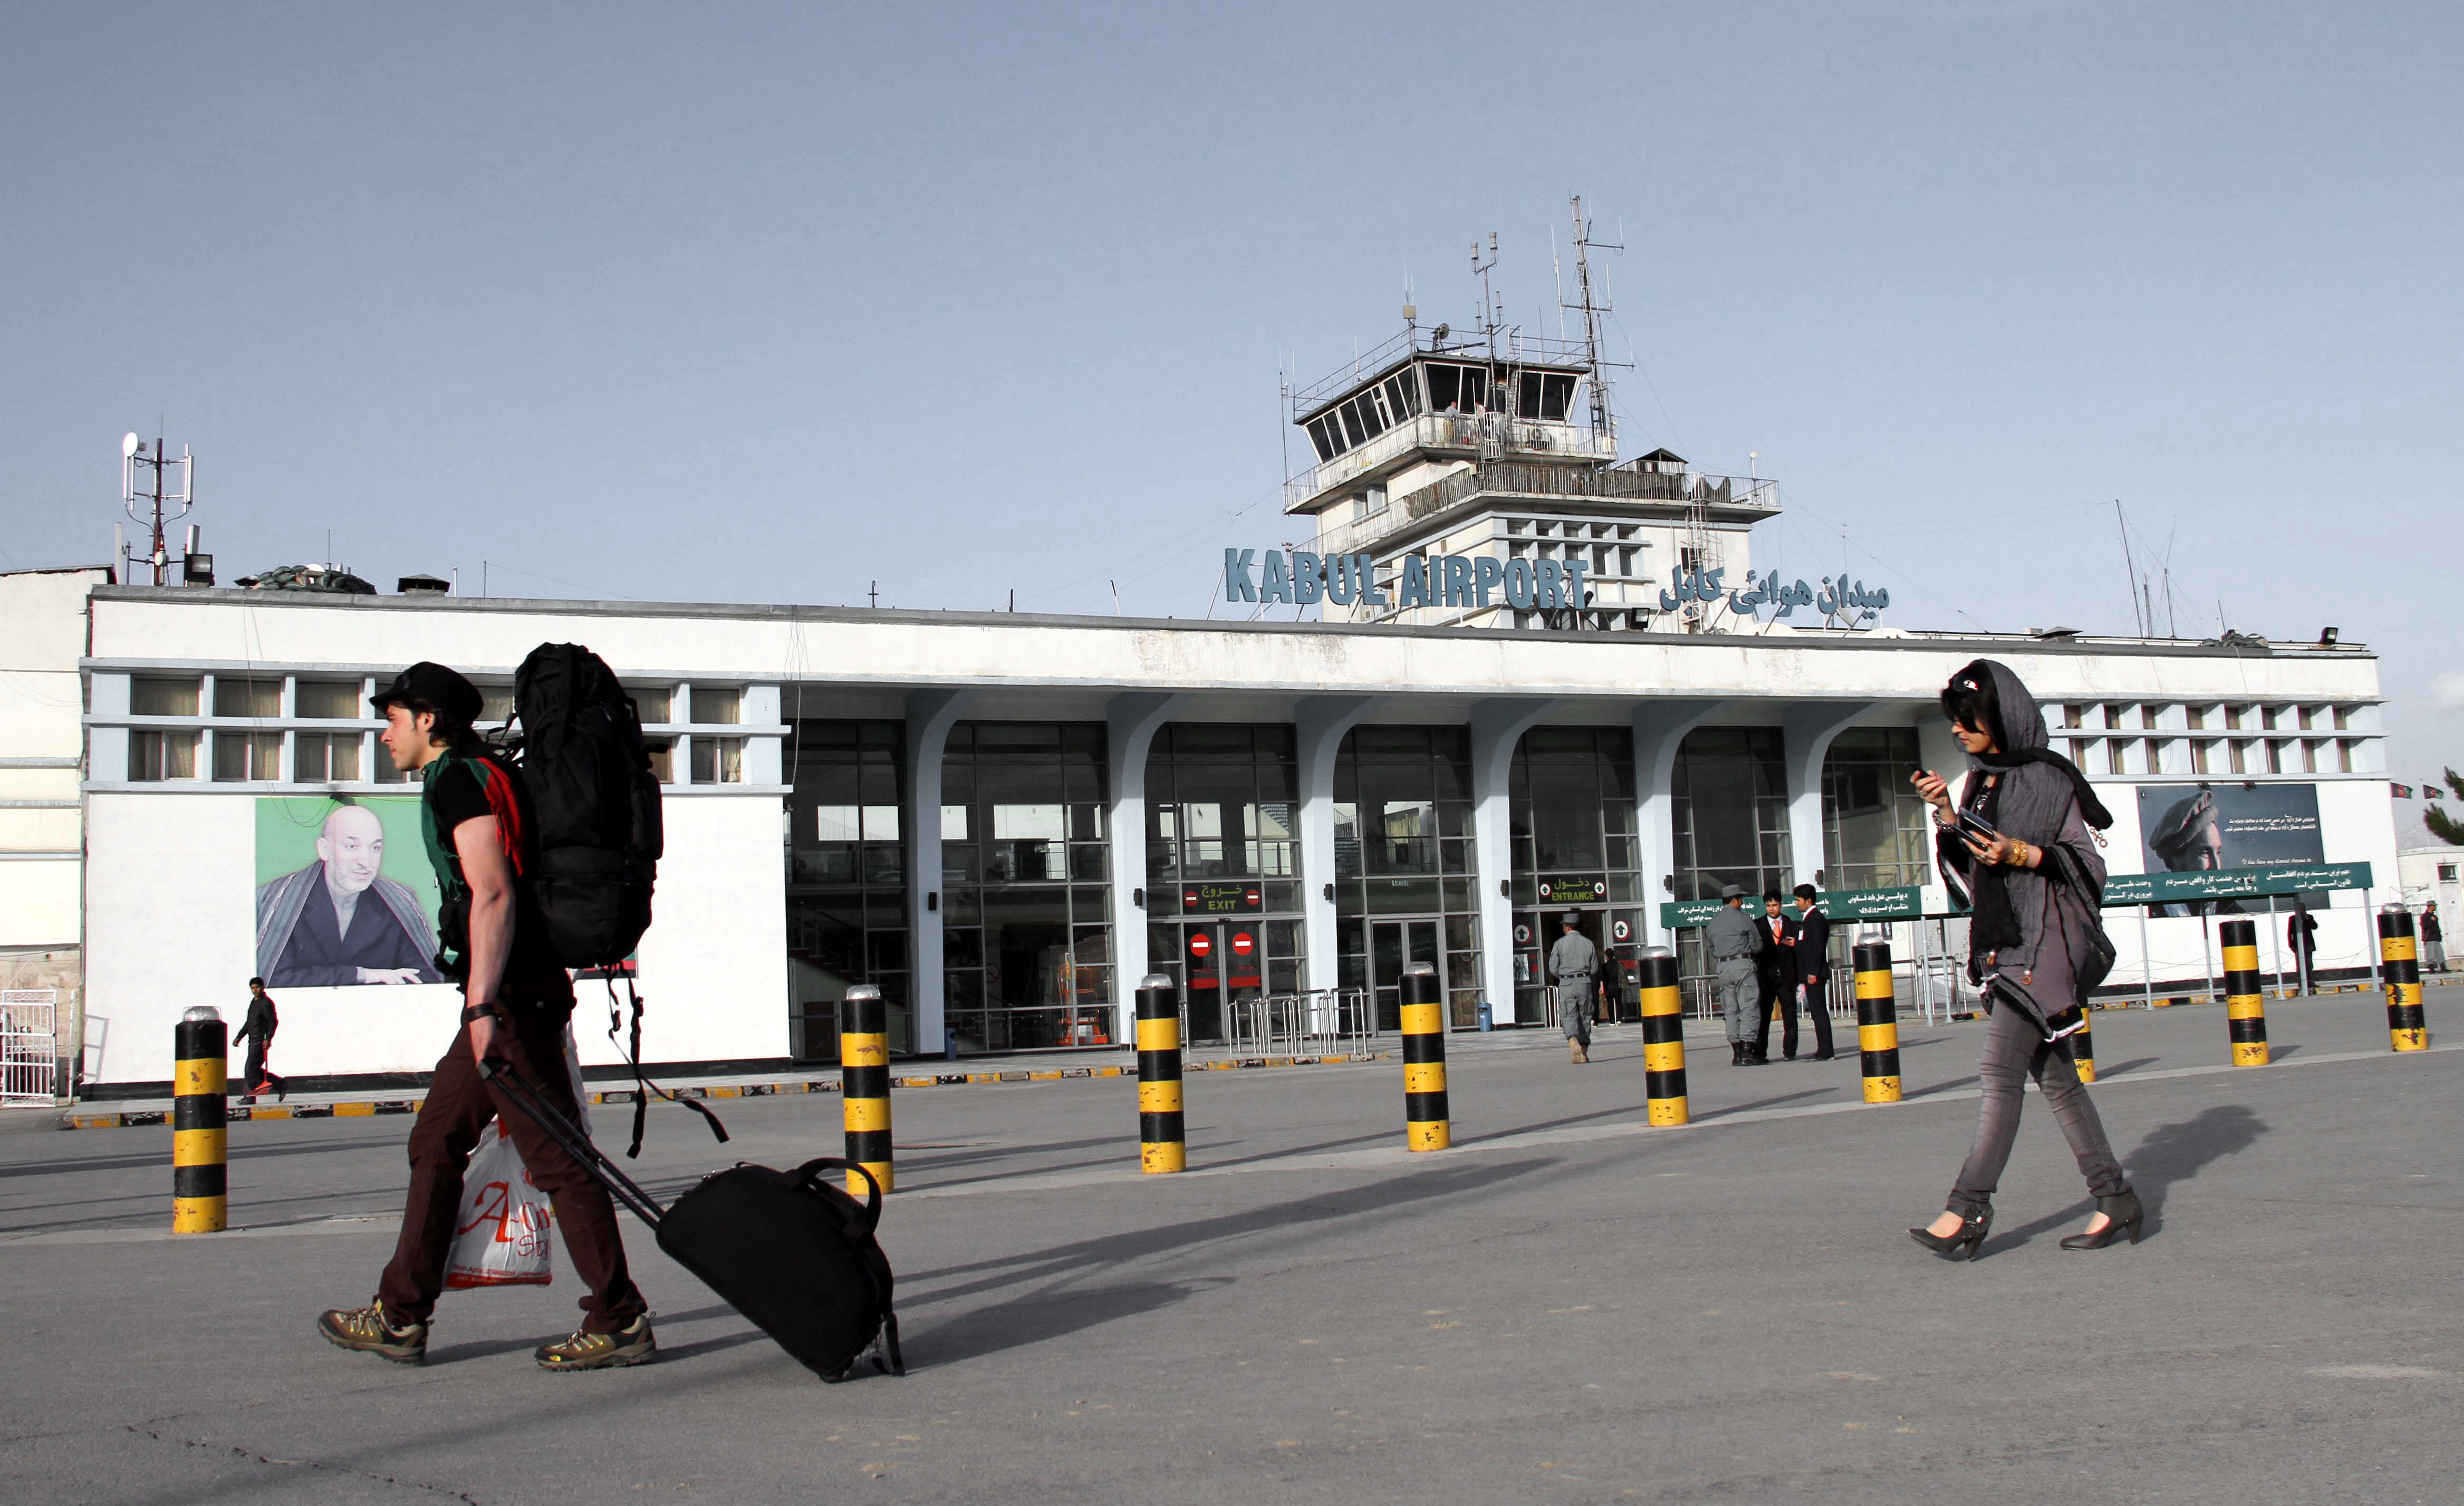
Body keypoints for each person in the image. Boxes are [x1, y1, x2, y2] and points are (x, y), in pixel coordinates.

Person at [318, 662, 653, 1370]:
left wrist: (480, 1005)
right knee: (436, 1139)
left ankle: (619, 1317)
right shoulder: (488, 771)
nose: (385, 735)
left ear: (427, 720)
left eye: (392, 719)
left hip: (509, 998)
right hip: (512, 992)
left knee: (559, 1161)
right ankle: (401, 1313)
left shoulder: (457, 781)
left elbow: (493, 892)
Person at [1908, 659, 2137, 1259]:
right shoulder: (1982, 778)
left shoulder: (2043, 777)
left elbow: (2087, 865)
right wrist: (1948, 816)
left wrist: (2025, 854)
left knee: (1998, 1073)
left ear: (2001, 717)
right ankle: (2114, 1198)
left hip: (2043, 943)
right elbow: (1975, 864)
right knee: (2058, 1082)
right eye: (1953, 723)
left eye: (1968, 722)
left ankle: (1967, 1207)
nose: (1958, 733)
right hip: (2006, 943)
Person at [256, 803, 442, 987]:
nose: (365, 861)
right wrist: (360, 975)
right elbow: (270, 981)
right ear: (325, 849)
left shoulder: (398, 901)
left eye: (375, 848)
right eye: (352, 847)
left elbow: (425, 979)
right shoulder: (282, 899)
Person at [1704, 885, 1764, 1066]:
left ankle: (1736, 1052)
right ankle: (1747, 1051)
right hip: (1742, 964)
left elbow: (1711, 948)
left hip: (1723, 967)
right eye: (1741, 899)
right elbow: (1758, 945)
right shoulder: (1743, 919)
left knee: (1730, 1009)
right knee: (1749, 1006)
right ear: (1736, 900)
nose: (1742, 902)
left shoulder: (1713, 922)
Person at [1787, 885, 1839, 1063]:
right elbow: (1808, 945)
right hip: (1810, 971)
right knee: (1816, 1012)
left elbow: (1816, 948)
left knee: (1819, 1011)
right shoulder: (1807, 919)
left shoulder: (1815, 919)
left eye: (1798, 900)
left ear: (1808, 900)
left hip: (1814, 972)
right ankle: (1822, 1048)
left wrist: (1813, 972)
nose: (1796, 904)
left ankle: (1826, 1050)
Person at [1548, 914, 1600, 1064]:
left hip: (1566, 983)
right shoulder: (1588, 943)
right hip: (1584, 981)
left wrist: (1564, 976)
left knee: (1568, 1013)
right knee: (1585, 1014)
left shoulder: (1559, 944)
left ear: (1568, 927)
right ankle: (1583, 1051)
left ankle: (1573, 1041)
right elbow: (1595, 967)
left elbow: (1553, 968)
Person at [1750, 892, 1794, 1063]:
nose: (1772, 909)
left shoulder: (1790, 924)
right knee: (1764, 1016)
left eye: (1774, 905)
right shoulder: (1757, 925)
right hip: (1765, 978)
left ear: (1780, 905)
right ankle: (1760, 1051)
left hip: (1786, 976)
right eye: (1768, 906)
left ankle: (1790, 1050)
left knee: (1789, 1015)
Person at [232, 977, 286, 1104]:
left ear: (262, 988)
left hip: (260, 1041)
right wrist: (240, 1036)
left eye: (257, 987)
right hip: (252, 1040)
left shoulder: (266, 1003)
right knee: (253, 1069)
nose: (255, 990)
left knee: (250, 1069)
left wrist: (268, 1038)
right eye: (253, 988)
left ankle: (250, 1097)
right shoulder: (254, 1003)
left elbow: (273, 1022)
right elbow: (250, 1023)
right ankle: (280, 1084)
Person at [2288, 897, 2318, 994]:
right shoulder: (2293, 919)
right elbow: (2290, 933)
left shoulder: (2309, 917)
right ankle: (2302, 983)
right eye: (2300, 909)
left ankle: (2311, 983)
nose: (2301, 910)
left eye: (2303, 909)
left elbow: (2314, 927)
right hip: (2298, 945)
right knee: (2300, 965)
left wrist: (2306, 917)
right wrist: (2291, 945)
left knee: (2310, 965)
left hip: (2308, 944)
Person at [2422, 901, 2444, 973]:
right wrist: (2431, 921)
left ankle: (2443, 968)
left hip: (2436, 938)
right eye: (2434, 906)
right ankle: (2431, 969)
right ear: (2430, 906)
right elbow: (2425, 926)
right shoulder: (2425, 916)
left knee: (2440, 953)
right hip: (2429, 938)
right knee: (2430, 954)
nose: (2435, 907)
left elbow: (2436, 927)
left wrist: (2439, 936)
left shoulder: (2434, 916)